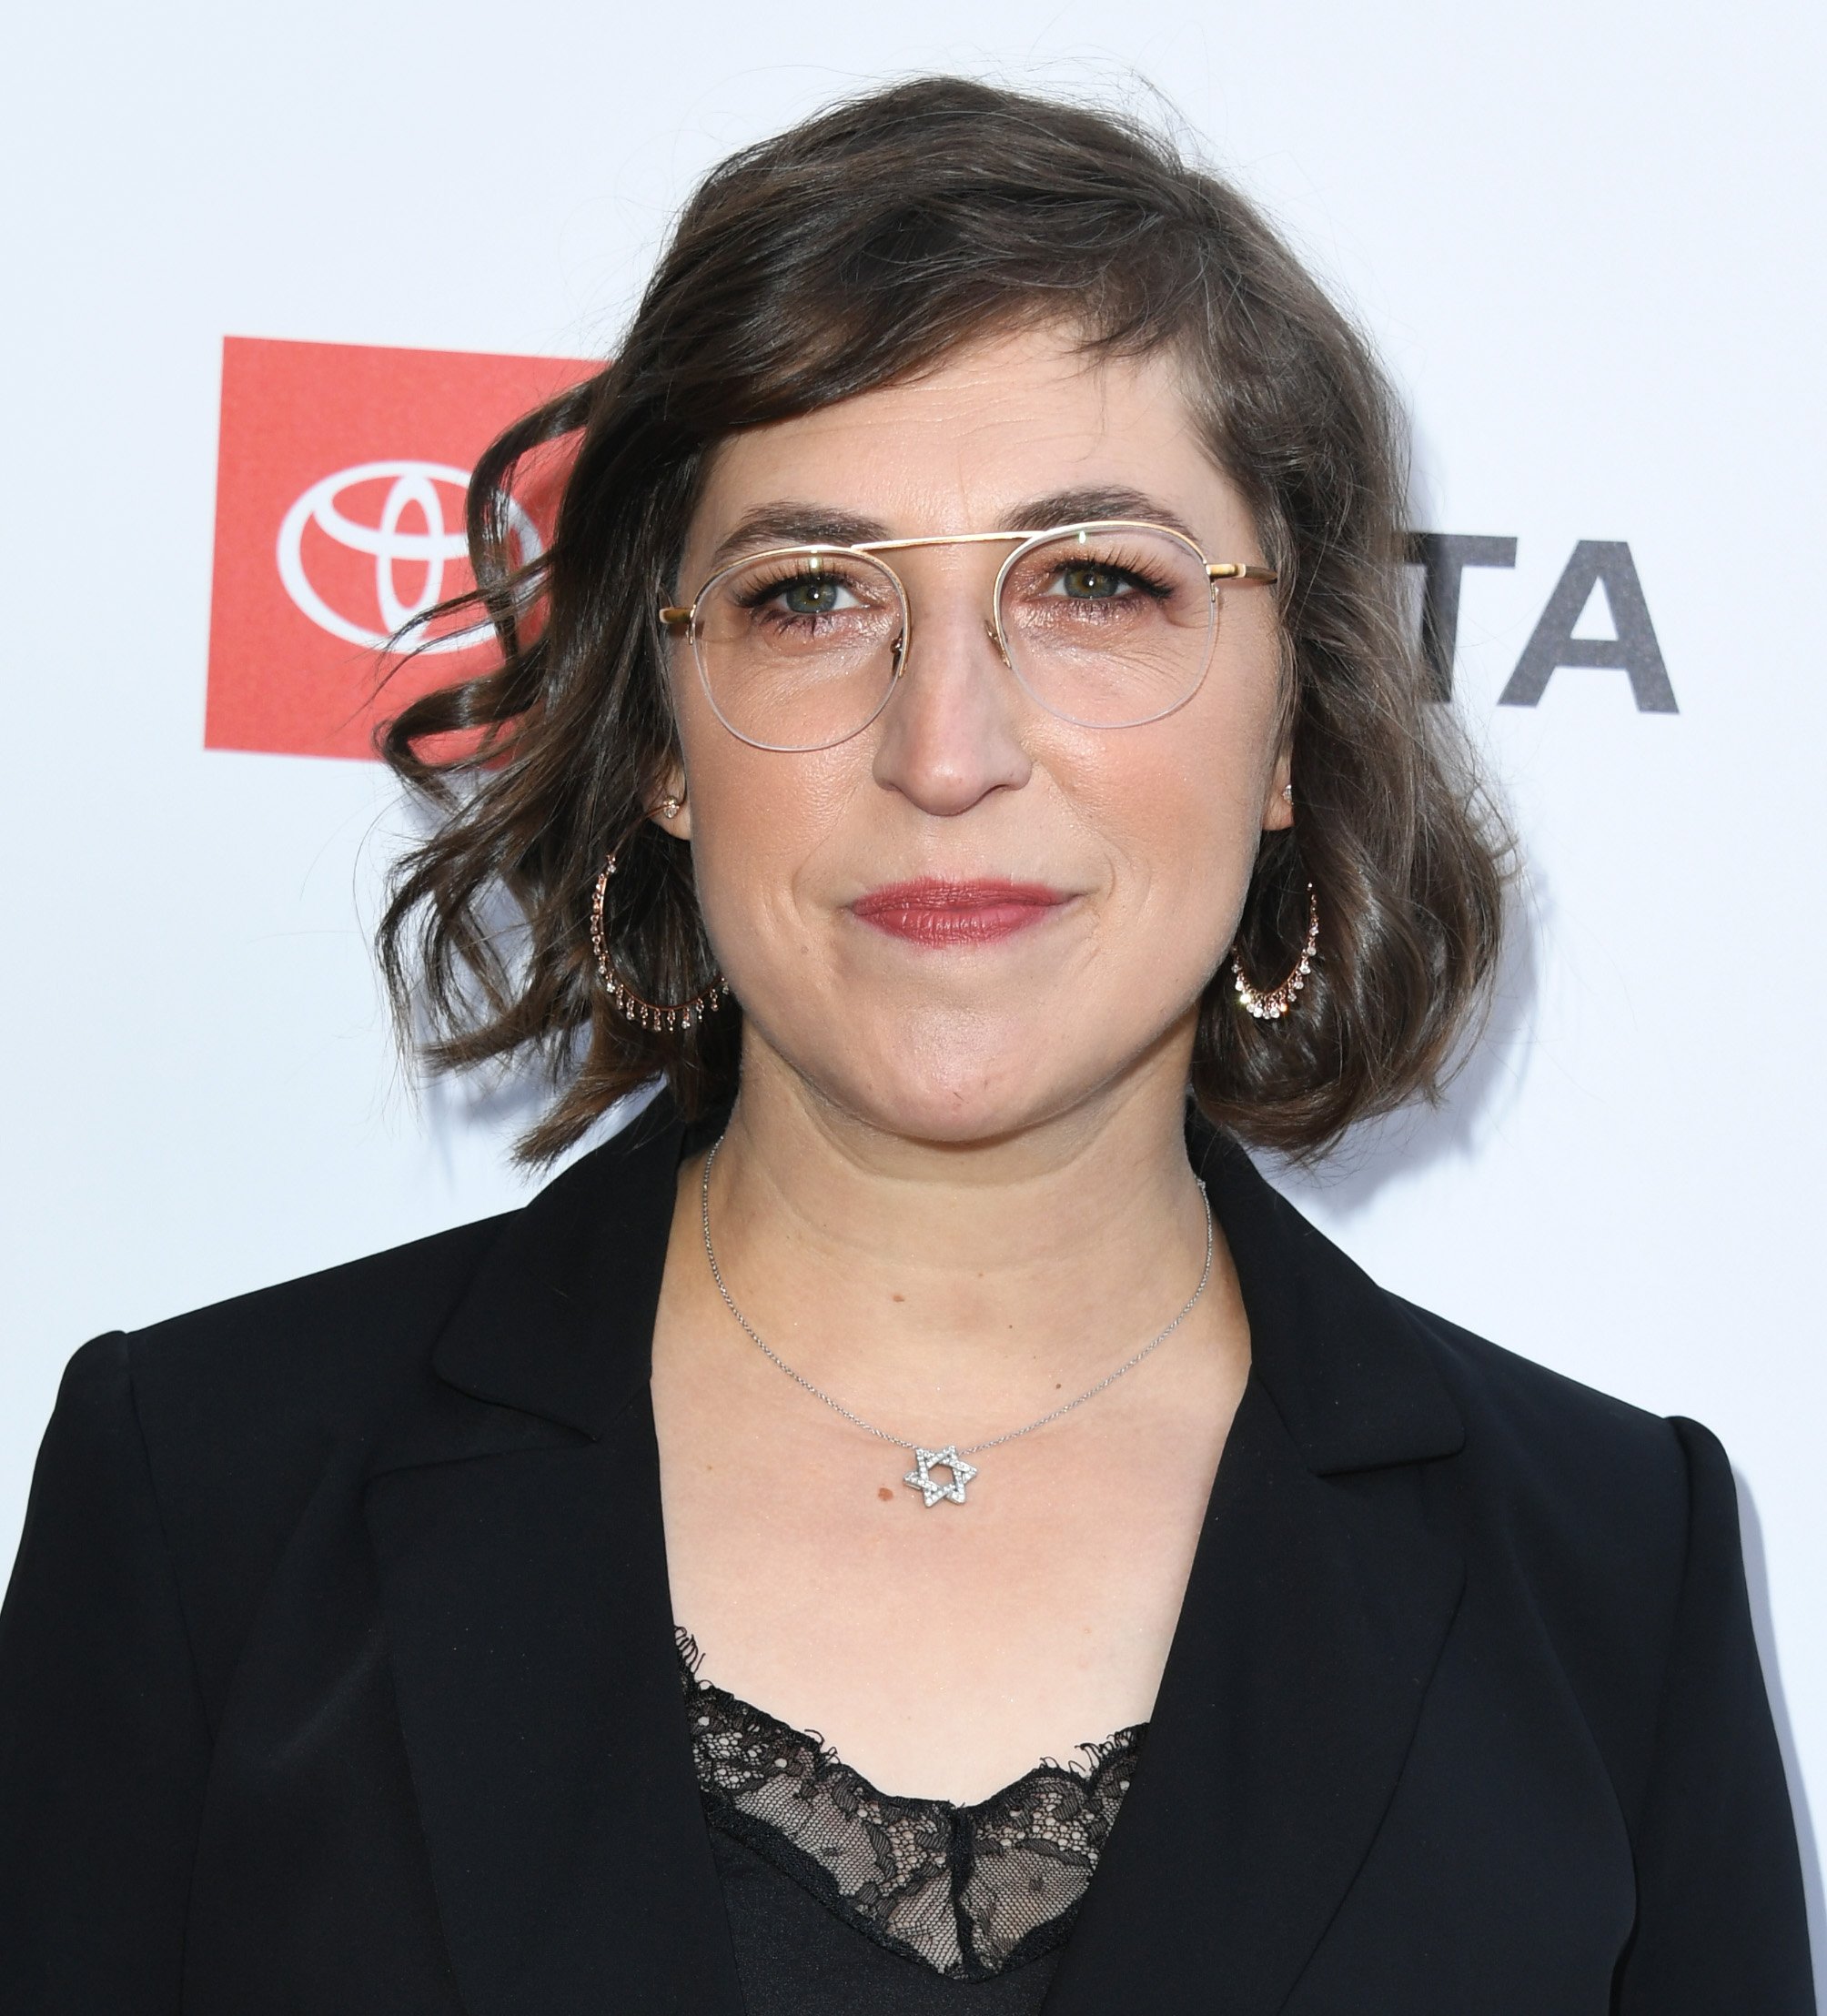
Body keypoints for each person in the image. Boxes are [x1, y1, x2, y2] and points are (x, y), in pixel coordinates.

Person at [0, 76, 1812, 2016]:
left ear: (1290, 725)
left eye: (1095, 583)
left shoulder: (1614, 1579)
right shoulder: (205, 1500)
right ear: (663, 741)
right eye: (808, 597)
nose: (942, 745)